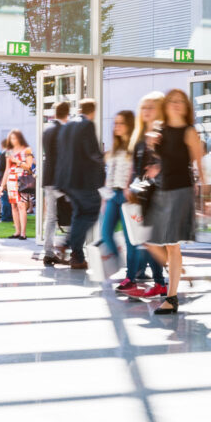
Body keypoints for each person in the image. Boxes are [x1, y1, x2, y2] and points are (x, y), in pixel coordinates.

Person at [146, 89, 208, 315]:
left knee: (172, 244)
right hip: (162, 190)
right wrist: (152, 145)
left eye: (180, 101)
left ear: (187, 105)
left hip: (181, 190)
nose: (176, 104)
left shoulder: (189, 131)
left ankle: (171, 297)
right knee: (154, 242)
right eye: (172, 101)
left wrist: (205, 197)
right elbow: (160, 160)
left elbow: (199, 164)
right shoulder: (159, 130)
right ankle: (178, 277)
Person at [122, 93, 168, 297]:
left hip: (160, 195)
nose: (146, 111)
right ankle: (157, 280)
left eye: (151, 107)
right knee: (146, 240)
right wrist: (128, 186)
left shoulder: (163, 135)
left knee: (154, 242)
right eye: (143, 107)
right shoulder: (139, 136)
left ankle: (162, 280)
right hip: (142, 195)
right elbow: (135, 167)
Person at [55, 99, 104, 272]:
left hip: (66, 181)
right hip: (82, 180)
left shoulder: (67, 126)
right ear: (93, 111)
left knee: (79, 215)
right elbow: (93, 153)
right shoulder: (87, 125)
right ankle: (66, 244)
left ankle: (77, 258)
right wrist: (105, 158)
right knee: (91, 212)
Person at [100, 110, 138, 286]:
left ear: (129, 125)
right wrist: (105, 198)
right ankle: (126, 264)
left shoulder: (134, 147)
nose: (116, 127)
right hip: (113, 194)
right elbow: (110, 174)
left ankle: (131, 275)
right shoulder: (114, 149)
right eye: (115, 123)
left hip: (127, 196)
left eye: (121, 123)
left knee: (131, 239)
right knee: (106, 233)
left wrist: (130, 188)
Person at [41, 102, 70, 267]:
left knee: (51, 218)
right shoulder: (62, 131)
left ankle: (49, 252)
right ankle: (66, 246)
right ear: (67, 114)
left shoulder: (47, 129)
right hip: (60, 180)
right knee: (78, 212)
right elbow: (62, 157)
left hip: (48, 179)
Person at [1, 129, 35, 240]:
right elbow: (6, 169)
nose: (12, 140)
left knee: (21, 205)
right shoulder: (9, 151)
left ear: (20, 138)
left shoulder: (27, 149)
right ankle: (17, 231)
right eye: (11, 138)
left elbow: (29, 166)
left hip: (23, 179)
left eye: (14, 138)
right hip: (11, 179)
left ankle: (23, 233)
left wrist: (16, 161)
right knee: (13, 206)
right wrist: (2, 185)